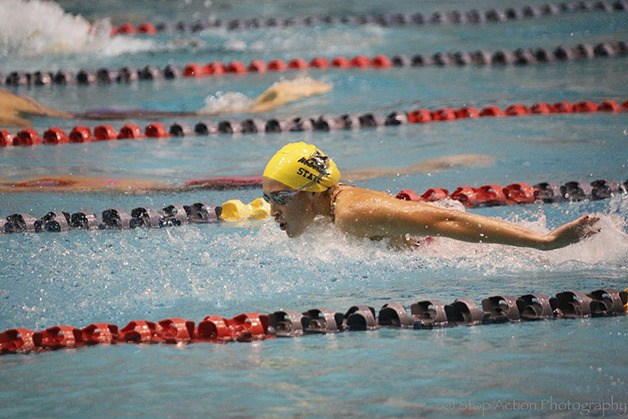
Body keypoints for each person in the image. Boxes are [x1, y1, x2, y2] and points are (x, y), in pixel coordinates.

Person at [262, 142, 601, 250]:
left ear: (310, 189)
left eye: (279, 199)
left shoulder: (354, 213)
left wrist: (545, 241)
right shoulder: (331, 207)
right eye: (266, 200)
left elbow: (445, 219)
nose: (272, 211)